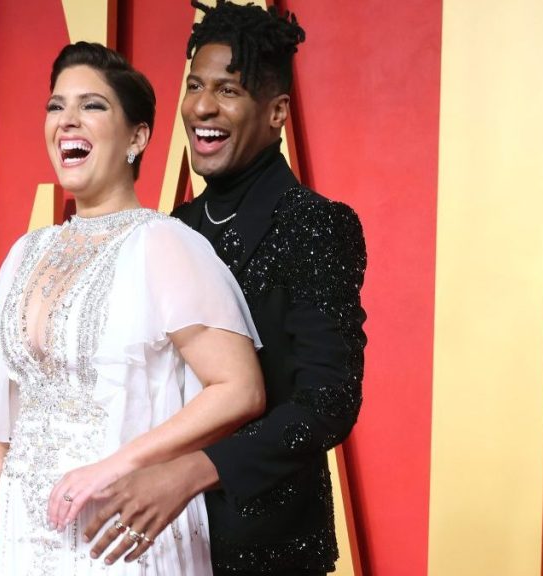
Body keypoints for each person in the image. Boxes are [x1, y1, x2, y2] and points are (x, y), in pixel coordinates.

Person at [0, 41, 266, 575]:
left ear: (137, 137)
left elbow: (241, 389)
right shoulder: (28, 252)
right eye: (56, 106)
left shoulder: (165, 244)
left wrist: (117, 466)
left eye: (92, 106)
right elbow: (11, 391)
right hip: (24, 531)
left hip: (118, 530)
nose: (68, 121)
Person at [82, 2, 368, 575]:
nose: (203, 107)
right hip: (156, 542)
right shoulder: (170, 229)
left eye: (229, 90)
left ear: (277, 112)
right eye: (195, 85)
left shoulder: (314, 223)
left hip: (265, 547)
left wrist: (192, 471)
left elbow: (328, 403)